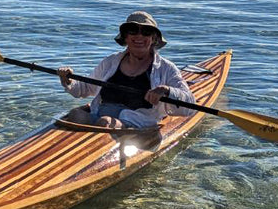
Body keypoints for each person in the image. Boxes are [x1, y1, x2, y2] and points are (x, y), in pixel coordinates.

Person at [57, 11, 196, 129]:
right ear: (125, 37)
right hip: (100, 115)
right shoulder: (111, 62)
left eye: (146, 32)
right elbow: (85, 88)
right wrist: (68, 80)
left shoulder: (166, 68)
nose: (139, 36)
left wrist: (166, 90)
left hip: (136, 122)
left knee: (105, 122)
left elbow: (189, 105)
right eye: (133, 31)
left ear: (153, 39)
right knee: (76, 114)